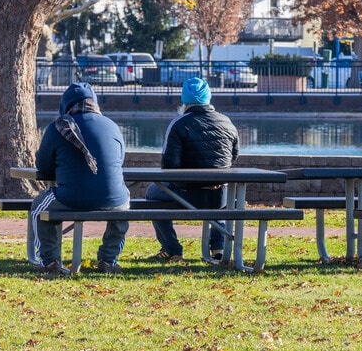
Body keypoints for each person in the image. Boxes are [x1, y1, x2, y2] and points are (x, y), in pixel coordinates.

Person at [28, 82, 130, 274]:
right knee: (124, 203)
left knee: (38, 208)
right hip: (113, 199)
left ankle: (48, 262)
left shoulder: (58, 127)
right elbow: (120, 159)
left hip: (71, 197)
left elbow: (43, 166)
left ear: (66, 104)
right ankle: (108, 260)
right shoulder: (112, 126)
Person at [145, 77, 239, 262]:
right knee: (223, 191)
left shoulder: (179, 124)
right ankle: (218, 245)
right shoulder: (227, 122)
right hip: (220, 195)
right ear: (208, 98)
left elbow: (169, 166)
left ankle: (172, 248)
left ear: (184, 100)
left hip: (187, 195)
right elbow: (233, 157)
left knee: (152, 192)